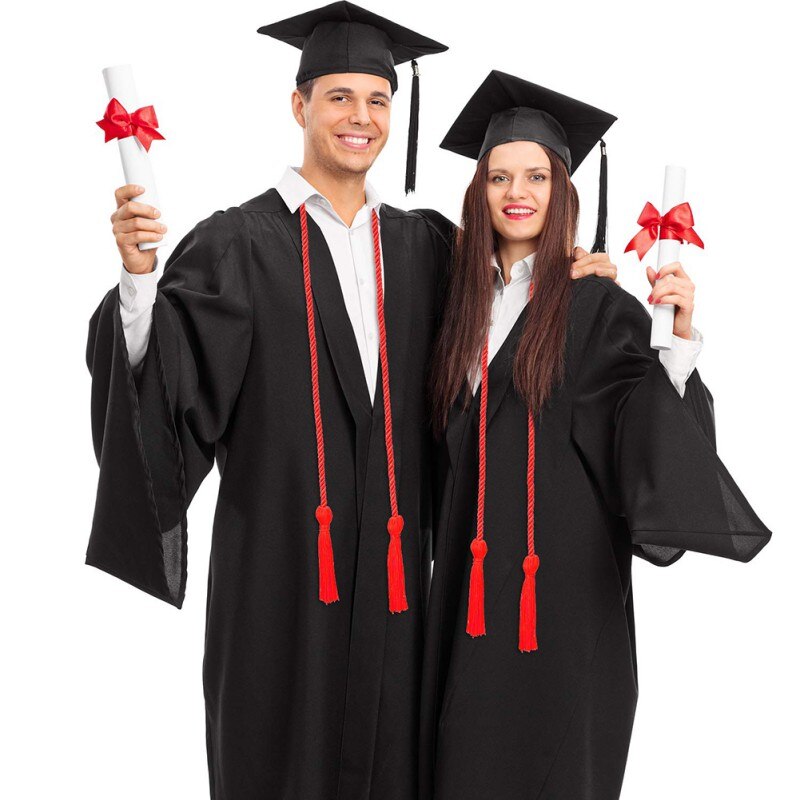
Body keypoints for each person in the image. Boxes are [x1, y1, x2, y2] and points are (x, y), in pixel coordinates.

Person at [84, 6, 616, 798]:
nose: (359, 117)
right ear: (299, 105)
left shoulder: (429, 248)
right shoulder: (236, 245)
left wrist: (574, 276)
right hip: (280, 591)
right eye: (338, 97)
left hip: (401, 597)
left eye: (377, 99)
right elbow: (166, 383)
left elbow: (504, 325)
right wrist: (137, 285)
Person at [418, 71, 772, 800]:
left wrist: (676, 345)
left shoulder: (598, 306)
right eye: (500, 177)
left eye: (538, 176)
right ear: (479, 191)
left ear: (565, 191)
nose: (518, 192)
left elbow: (644, 433)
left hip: (562, 605)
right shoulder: (453, 303)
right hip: (463, 593)